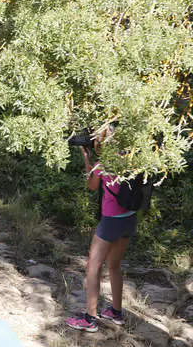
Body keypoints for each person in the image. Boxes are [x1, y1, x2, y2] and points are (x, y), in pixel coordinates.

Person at [66, 134, 137, 332]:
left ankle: (90, 318)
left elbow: (92, 185)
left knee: (93, 266)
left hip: (111, 221)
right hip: (130, 218)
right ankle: (116, 312)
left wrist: (87, 159)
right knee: (114, 265)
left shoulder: (105, 163)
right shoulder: (132, 158)